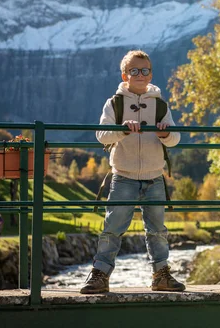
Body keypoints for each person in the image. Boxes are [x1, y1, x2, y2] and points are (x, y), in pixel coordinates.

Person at [80, 50, 184, 294]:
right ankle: (100, 274)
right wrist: (123, 130)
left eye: (144, 70)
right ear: (124, 75)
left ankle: (161, 274)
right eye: (134, 71)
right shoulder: (114, 103)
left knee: (157, 229)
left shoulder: (160, 105)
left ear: (151, 74)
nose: (140, 74)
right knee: (113, 227)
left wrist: (165, 134)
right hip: (123, 175)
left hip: (154, 176)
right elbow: (101, 135)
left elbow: (176, 138)